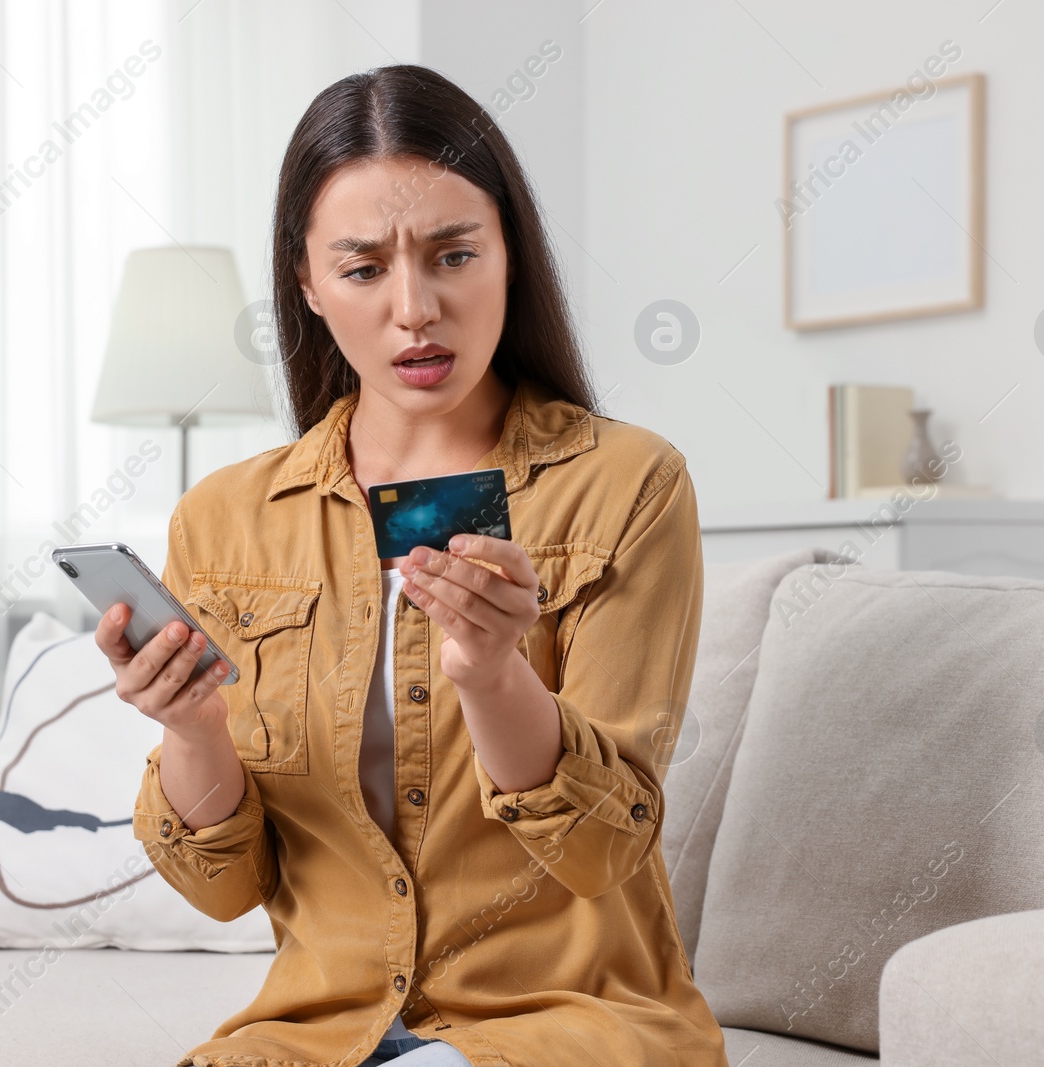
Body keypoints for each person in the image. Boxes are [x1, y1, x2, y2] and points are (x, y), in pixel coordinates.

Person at [98, 63, 727, 1067]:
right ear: (305, 285)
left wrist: (491, 671)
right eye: (361, 269)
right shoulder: (225, 517)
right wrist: (193, 726)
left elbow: (605, 846)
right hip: (315, 1028)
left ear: (508, 256)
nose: (414, 308)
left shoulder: (626, 483)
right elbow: (222, 887)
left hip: (561, 1024)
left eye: (452, 254)